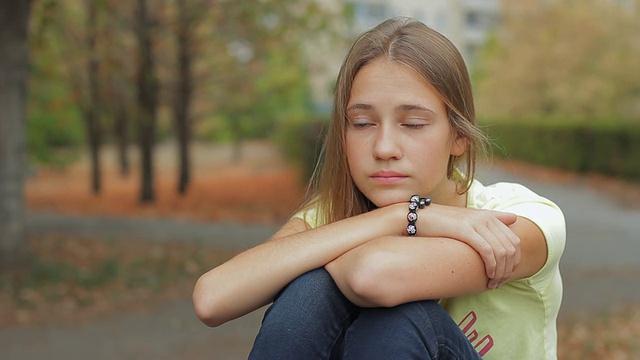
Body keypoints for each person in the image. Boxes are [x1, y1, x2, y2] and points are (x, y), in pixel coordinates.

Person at [193, 17, 565, 359]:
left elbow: (374, 276)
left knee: (394, 314)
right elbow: (212, 299)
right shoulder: (331, 213)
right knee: (309, 290)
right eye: (362, 123)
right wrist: (403, 216)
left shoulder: (519, 216)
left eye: (414, 124)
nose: (384, 148)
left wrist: (327, 246)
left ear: (459, 137)